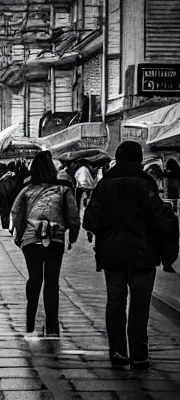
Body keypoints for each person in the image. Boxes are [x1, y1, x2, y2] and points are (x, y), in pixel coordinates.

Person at [84, 141, 179, 369]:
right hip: (143, 254)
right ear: (138, 159)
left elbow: (90, 220)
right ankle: (138, 353)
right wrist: (168, 256)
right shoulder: (146, 185)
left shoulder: (104, 185)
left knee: (115, 303)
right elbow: (162, 220)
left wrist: (104, 231)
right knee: (140, 305)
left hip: (112, 255)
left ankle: (117, 351)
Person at [10, 151, 80, 336]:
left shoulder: (27, 189)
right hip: (55, 239)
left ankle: (30, 320)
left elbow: (16, 213)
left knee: (34, 278)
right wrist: (72, 236)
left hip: (31, 240)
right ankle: (52, 326)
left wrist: (18, 236)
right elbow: (73, 215)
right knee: (51, 282)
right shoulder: (64, 189)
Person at [0, 162, 22, 230]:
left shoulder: (1, 180)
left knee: (6, 214)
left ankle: (7, 225)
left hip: (4, 203)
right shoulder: (19, 179)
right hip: (15, 201)